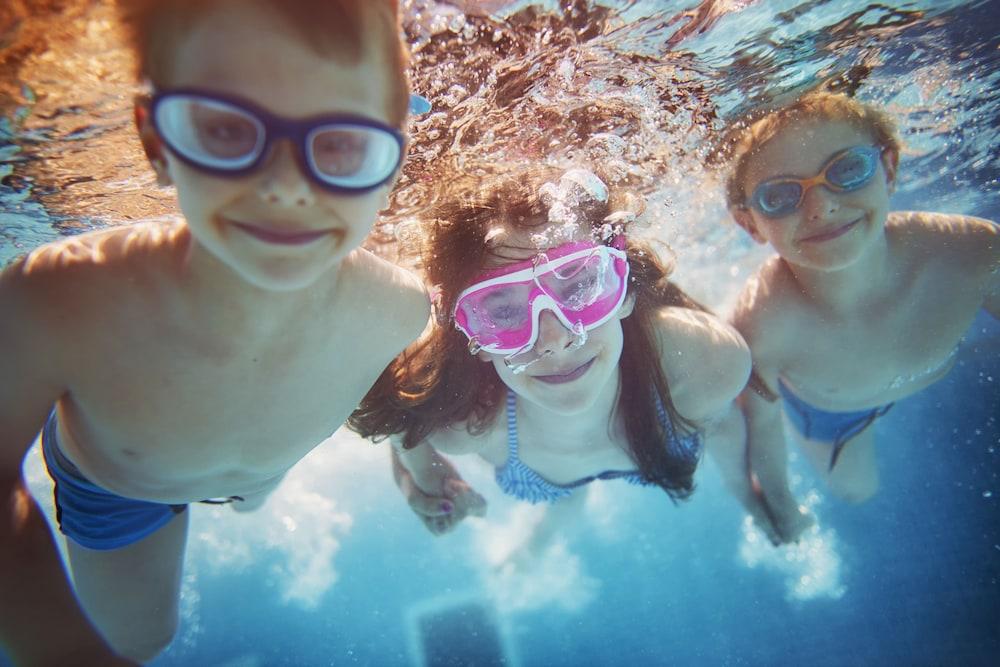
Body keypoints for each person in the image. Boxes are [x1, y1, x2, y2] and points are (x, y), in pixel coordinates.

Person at [0, 0, 429, 662]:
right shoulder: (55, 301)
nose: (287, 186)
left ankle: (251, 491)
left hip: (254, 471)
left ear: (394, 165)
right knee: (143, 637)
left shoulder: (402, 309)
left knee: (251, 493)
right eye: (226, 131)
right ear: (155, 143)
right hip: (124, 483)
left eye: (342, 144)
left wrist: (415, 462)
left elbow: (403, 396)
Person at [350, 166, 753, 544]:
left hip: (641, 429)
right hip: (545, 466)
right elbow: (404, 415)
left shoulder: (705, 361)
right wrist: (420, 475)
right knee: (565, 502)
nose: (554, 341)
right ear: (472, 339)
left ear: (624, 289)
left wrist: (751, 489)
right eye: (503, 311)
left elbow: (727, 425)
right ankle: (539, 542)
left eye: (578, 286)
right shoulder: (463, 428)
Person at [723, 90, 1000, 544]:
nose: (820, 207)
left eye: (847, 170)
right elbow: (764, 433)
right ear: (750, 223)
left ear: (888, 169)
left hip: (892, 382)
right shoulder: (760, 325)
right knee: (856, 491)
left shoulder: (973, 253)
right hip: (831, 416)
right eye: (780, 196)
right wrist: (782, 507)